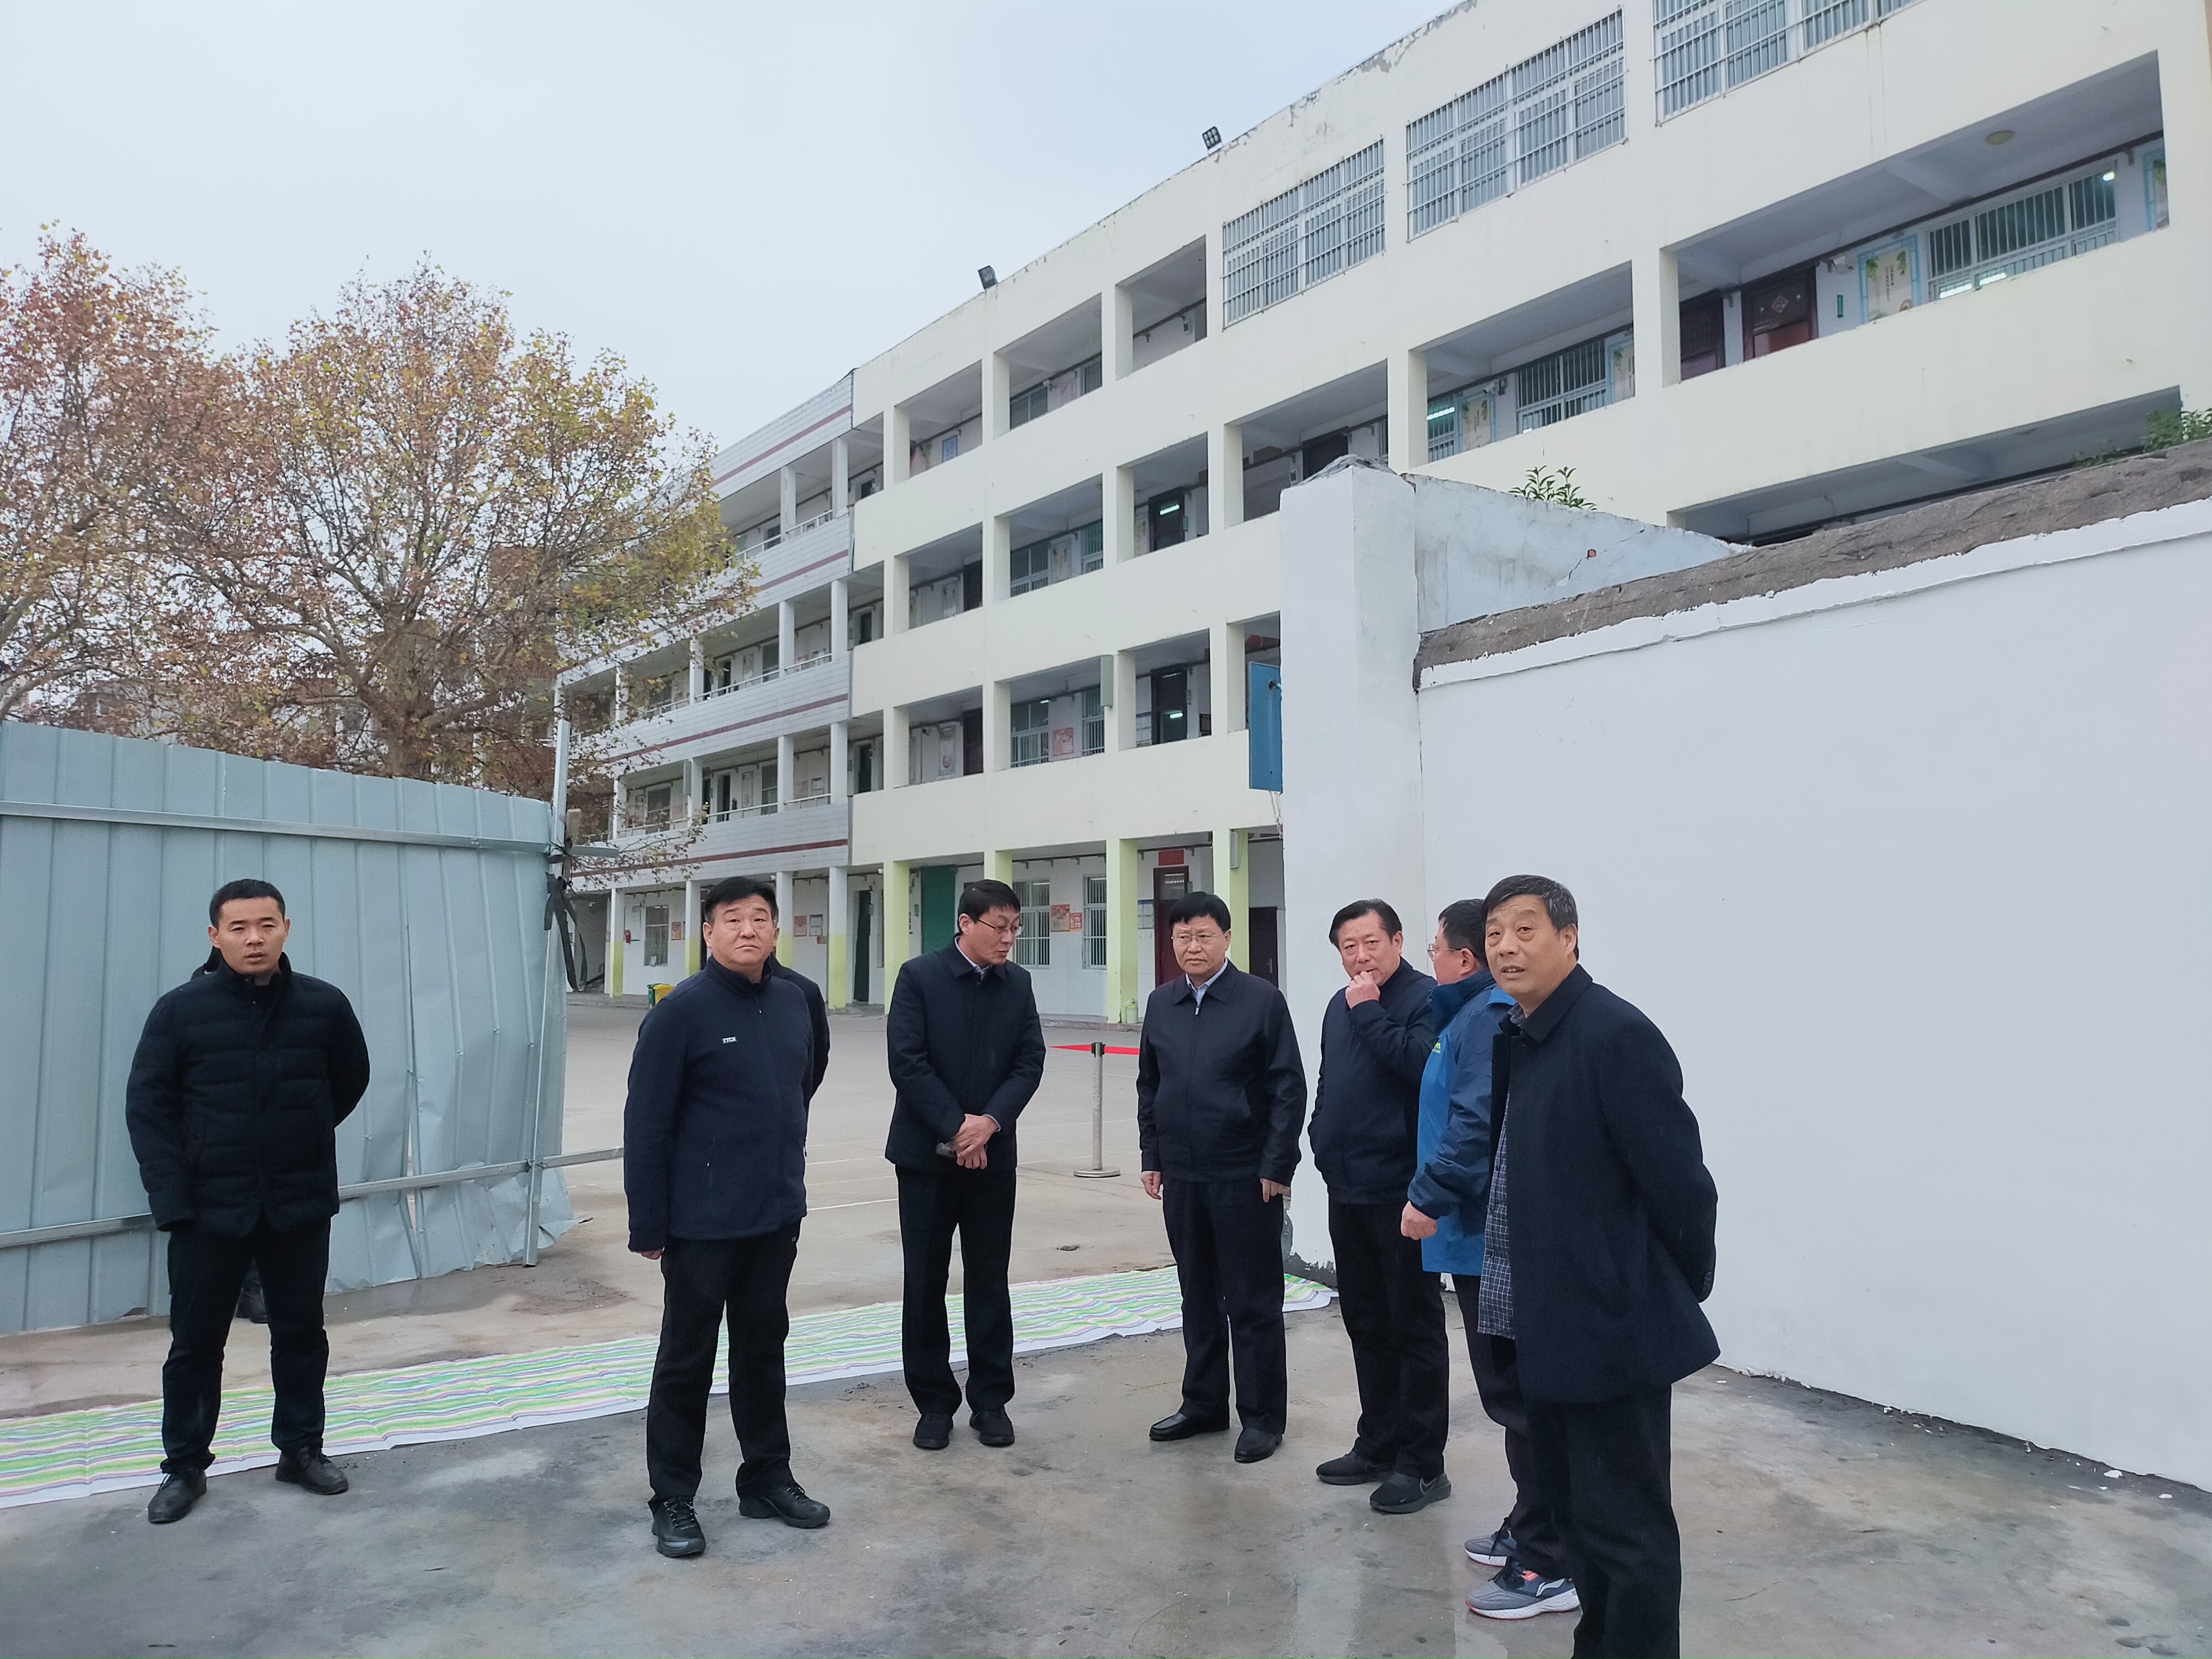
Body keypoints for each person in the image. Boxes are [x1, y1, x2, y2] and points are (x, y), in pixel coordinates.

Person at [1472, 875, 1718, 1658]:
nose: (1506, 947)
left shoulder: (1614, 1035)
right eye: (1494, 933)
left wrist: (1652, 1290)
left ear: (1570, 938)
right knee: (1576, 1522)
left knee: (1628, 1533)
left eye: (1525, 929)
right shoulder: (1521, 1035)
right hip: (1544, 1326)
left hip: (1611, 1331)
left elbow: (1682, 1186)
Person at [125, 878, 372, 1525]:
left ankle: (300, 1449)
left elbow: (350, 1079)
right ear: (215, 936)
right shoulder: (180, 1012)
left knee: (300, 1333)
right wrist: (173, 1199)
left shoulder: (323, 1006)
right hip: (208, 1208)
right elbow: (148, 1109)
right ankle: (185, 1466)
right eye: (238, 928)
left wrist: (303, 1132)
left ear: (286, 928)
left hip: (298, 1203)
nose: (254, 939)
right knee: (195, 1344)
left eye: (266, 925)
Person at [626, 874, 830, 1558]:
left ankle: (767, 1478)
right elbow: (647, 1122)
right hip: (701, 1223)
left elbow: (803, 1080)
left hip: (775, 1212)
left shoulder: (797, 999)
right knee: (687, 1360)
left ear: (777, 929)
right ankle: (673, 1498)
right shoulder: (680, 1011)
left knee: (763, 1349)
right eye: (733, 918)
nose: (749, 929)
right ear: (707, 932)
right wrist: (649, 1222)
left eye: (761, 917)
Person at [1400, 899, 1577, 1620]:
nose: (1432, 962)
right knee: (1510, 1395)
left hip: (1486, 1236)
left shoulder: (1490, 1018)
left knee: (1518, 1396)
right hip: (1471, 1234)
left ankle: (1550, 1558)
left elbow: (1476, 1121)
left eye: (1436, 949)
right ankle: (1530, 1525)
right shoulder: (1472, 1016)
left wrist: (1429, 1195)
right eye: (1498, 933)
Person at [1135, 891, 1307, 1464]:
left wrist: (1276, 1165)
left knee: (1253, 1301)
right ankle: (1204, 1404)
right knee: (1197, 1296)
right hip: (1183, 1175)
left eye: (1204, 936)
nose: (1192, 947)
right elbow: (1149, 1085)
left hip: (1244, 1175)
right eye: (1182, 937)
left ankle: (1262, 1418)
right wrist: (1152, 1154)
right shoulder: (1162, 1003)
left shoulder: (1260, 1001)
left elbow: (1288, 1088)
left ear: (1227, 939)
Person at [884, 878, 1046, 1451]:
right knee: (924, 1281)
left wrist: (990, 1123)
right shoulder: (919, 978)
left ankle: (991, 1401)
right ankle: (933, 1404)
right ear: (966, 924)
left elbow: (1029, 1062)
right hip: (925, 1161)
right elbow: (907, 1062)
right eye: (999, 927)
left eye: (1015, 928)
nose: (1009, 939)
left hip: (992, 1159)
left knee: (989, 1279)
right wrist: (957, 1127)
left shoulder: (1017, 984)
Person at [1308, 899, 1448, 1514]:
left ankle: (1422, 1464)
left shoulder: (1426, 999)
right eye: (1349, 947)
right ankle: (1378, 1443)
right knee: (1365, 1321)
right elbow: (1329, 1081)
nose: (1361, 956)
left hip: (1400, 1191)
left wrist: (1367, 1011)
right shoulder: (1337, 1006)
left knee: (1413, 1326)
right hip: (1347, 1186)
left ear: (1398, 941)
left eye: (1371, 942)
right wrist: (1319, 1137)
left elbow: (1420, 1068)